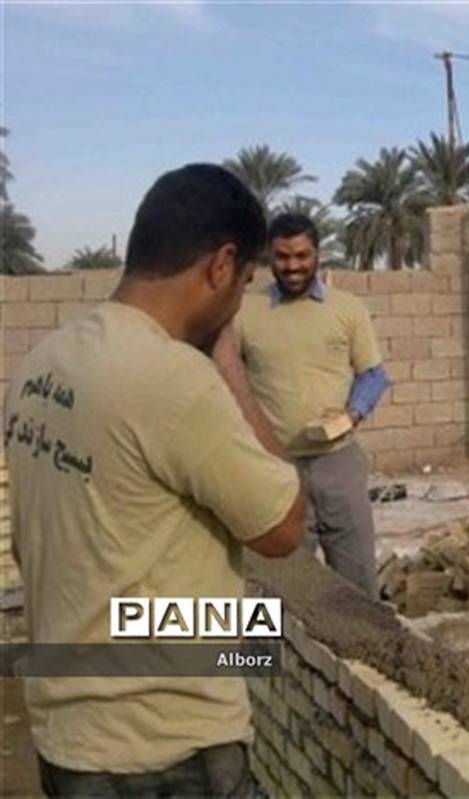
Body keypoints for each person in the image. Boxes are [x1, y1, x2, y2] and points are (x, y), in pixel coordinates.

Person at [4, 163, 306, 797]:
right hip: (166, 746)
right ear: (221, 266)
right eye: (245, 281)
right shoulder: (174, 378)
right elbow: (283, 528)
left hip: (67, 737)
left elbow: (34, 548)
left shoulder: (44, 362)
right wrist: (227, 365)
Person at [233, 212, 389, 597]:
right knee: (287, 587)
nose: (293, 266)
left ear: (318, 254)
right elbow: (226, 380)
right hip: (276, 468)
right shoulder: (244, 312)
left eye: (302, 255)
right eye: (283, 257)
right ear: (269, 257)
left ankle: (362, 653)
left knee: (357, 583)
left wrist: (352, 414)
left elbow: (372, 375)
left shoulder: (347, 309)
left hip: (339, 464)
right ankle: (293, 658)